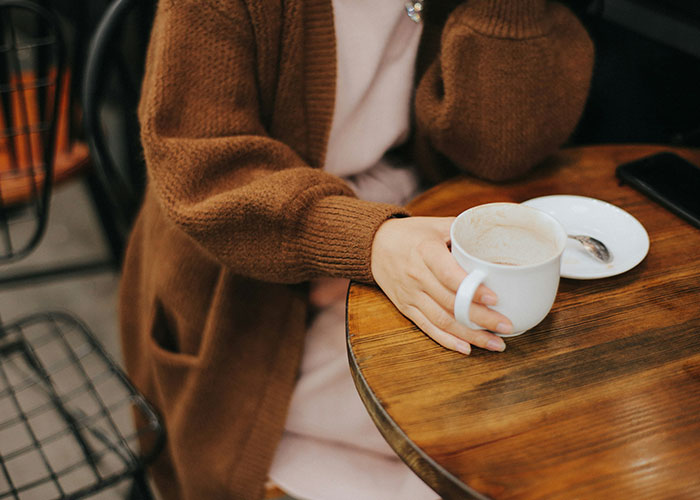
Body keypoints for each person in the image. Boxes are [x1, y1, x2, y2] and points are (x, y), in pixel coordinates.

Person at [119, 0, 593, 498]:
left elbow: (503, 150)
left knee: (527, 427)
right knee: (476, 443)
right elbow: (201, 164)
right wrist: (365, 241)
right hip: (244, 263)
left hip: (414, 220)